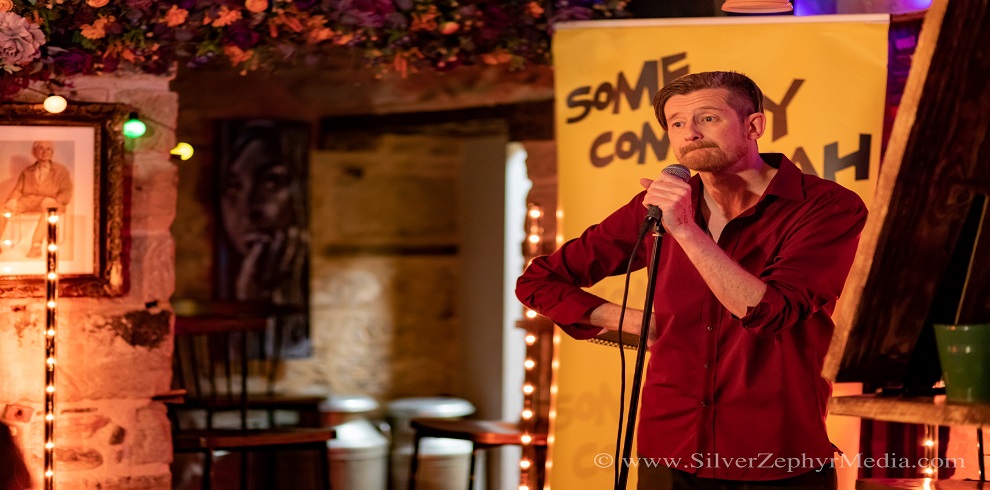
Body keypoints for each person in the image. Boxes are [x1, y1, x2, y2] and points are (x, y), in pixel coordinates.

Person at [515, 71, 867, 489]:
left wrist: (685, 230)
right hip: (668, 447)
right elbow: (538, 281)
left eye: (708, 118)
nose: (690, 133)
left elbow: (769, 311)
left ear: (753, 126)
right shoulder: (654, 208)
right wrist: (633, 320)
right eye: (677, 124)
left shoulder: (826, 206)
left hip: (773, 451)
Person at [0, 140, 73, 258]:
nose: (44, 152)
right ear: (35, 152)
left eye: (48, 149)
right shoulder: (27, 171)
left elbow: (67, 191)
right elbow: (18, 190)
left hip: (52, 201)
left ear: (52, 152)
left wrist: (56, 201)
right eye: (41, 149)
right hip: (29, 201)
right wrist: (12, 200)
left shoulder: (61, 171)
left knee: (50, 208)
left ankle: (36, 246)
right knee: (2, 208)